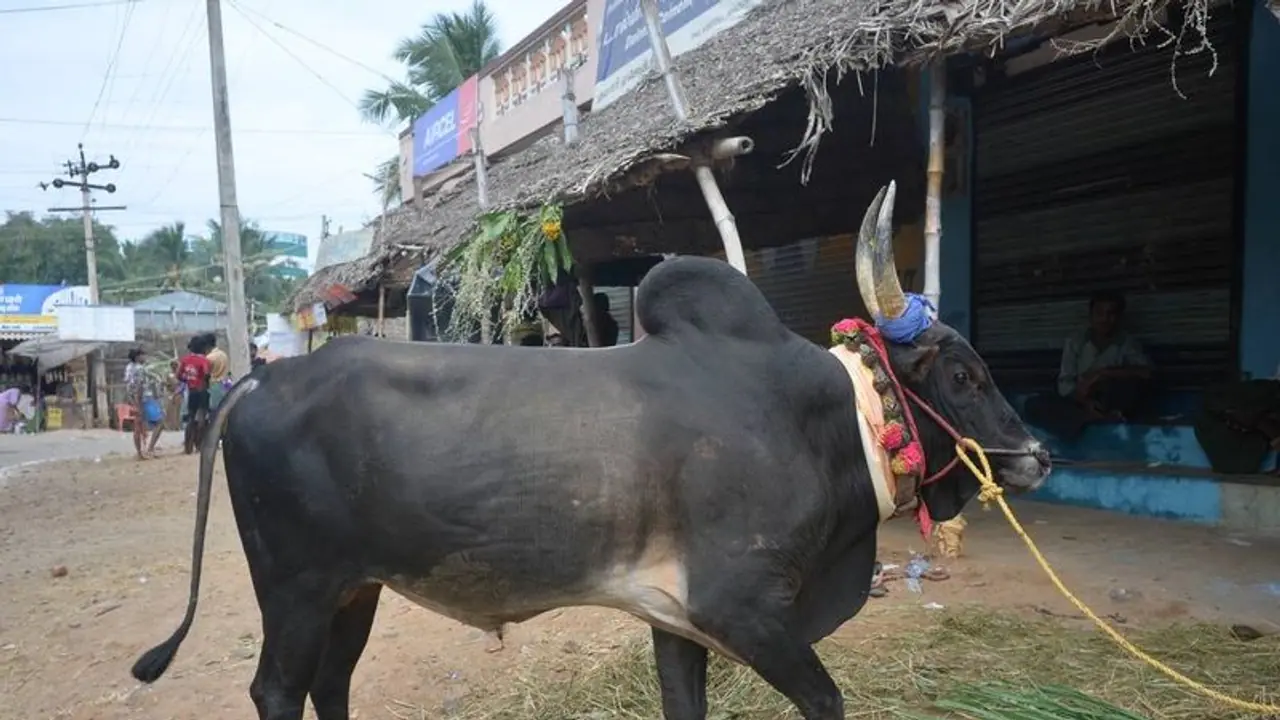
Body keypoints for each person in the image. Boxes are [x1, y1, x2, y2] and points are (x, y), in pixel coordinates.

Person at [1025, 291, 1153, 441]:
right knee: (1033, 404)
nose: (1105, 319)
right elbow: (1065, 384)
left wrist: (1103, 373)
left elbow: (1147, 372)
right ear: (1091, 316)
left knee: (1132, 387)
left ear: (1119, 317)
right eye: (1099, 313)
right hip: (1081, 402)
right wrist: (1085, 402)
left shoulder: (1127, 343)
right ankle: (1091, 418)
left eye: (1111, 314)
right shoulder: (1075, 342)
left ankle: (1097, 417)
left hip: (1110, 402)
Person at [124, 348, 164, 460]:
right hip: (144, 399)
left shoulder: (128, 368)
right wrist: (139, 404)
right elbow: (140, 387)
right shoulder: (140, 369)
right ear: (138, 357)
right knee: (160, 422)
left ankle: (139, 452)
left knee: (138, 426)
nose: (145, 358)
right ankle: (150, 448)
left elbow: (128, 385)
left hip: (133, 399)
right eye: (143, 356)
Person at [178, 336, 212, 455]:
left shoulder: (185, 360)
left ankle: (188, 447)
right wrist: (205, 384)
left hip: (191, 391)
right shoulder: (204, 360)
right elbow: (207, 373)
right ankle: (200, 445)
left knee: (190, 419)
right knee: (202, 417)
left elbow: (179, 375)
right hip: (202, 390)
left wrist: (188, 380)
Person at [204, 333, 230, 411]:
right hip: (227, 384)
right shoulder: (223, 354)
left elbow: (206, 375)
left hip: (215, 386)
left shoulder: (209, 358)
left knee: (216, 411)